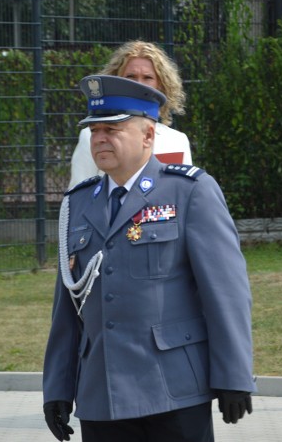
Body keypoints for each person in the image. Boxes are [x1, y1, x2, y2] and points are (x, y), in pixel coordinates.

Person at [43, 75, 254, 442]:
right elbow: (67, 306)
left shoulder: (189, 191)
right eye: (94, 131)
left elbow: (226, 293)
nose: (100, 139)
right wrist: (58, 387)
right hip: (101, 392)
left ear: (148, 135)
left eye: (113, 129)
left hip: (172, 390)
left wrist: (233, 375)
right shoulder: (78, 203)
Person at [68, 40, 192, 189]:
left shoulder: (177, 141)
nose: (138, 84)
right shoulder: (90, 138)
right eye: (131, 77)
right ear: (117, 81)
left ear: (161, 85)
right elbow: (78, 200)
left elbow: (183, 195)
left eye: (147, 78)